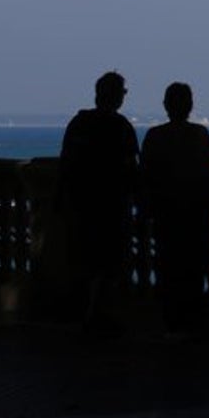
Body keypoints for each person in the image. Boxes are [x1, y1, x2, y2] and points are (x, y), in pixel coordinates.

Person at [58, 71, 139, 335]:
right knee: (108, 266)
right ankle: (98, 316)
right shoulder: (121, 128)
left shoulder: (79, 124)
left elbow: (67, 166)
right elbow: (131, 170)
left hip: (82, 206)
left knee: (86, 262)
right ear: (117, 97)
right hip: (110, 209)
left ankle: (86, 315)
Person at [140, 82, 209, 338]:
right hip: (196, 218)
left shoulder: (154, 137)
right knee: (193, 274)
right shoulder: (200, 136)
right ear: (190, 106)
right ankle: (191, 325)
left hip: (166, 217)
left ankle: (172, 324)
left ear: (166, 105)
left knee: (168, 272)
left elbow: (145, 177)